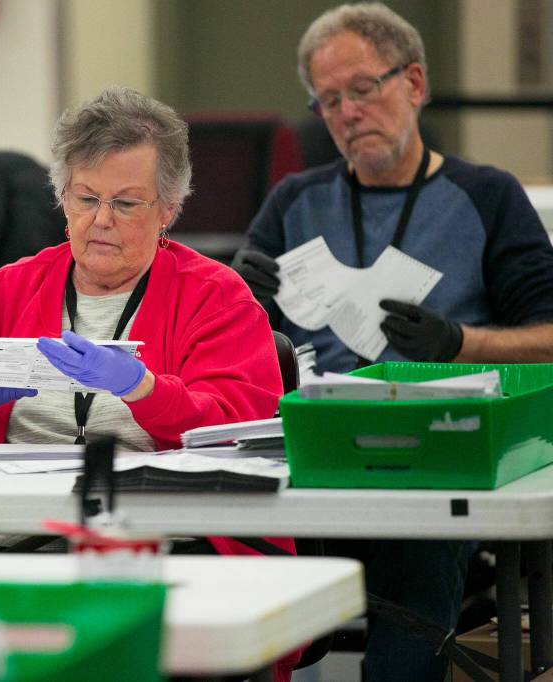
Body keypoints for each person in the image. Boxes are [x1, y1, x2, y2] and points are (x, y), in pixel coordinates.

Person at [0, 86, 299, 680]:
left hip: (159, 545)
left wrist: (148, 391)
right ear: (62, 197)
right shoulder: (6, 292)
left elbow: (244, 434)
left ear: (168, 209)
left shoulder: (217, 298)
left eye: (126, 204)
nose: (100, 221)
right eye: (86, 198)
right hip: (14, 540)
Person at [233, 4, 553, 680]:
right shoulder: (293, 201)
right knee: (208, 542)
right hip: (304, 451)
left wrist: (460, 343)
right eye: (328, 101)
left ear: (413, 82)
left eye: (362, 89)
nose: (347, 113)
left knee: (419, 543)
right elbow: (225, 341)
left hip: (431, 453)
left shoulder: (487, 196)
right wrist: (239, 307)